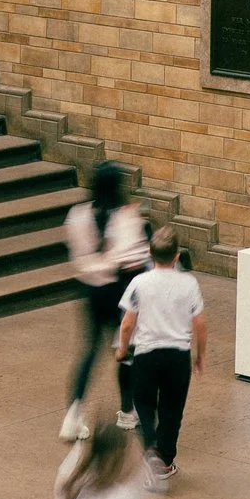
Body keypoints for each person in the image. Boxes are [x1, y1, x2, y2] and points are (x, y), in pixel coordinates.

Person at [62, 160, 148, 442]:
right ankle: (127, 412)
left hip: (90, 289)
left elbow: (76, 255)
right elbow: (135, 257)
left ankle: (74, 413)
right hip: (121, 290)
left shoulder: (78, 214)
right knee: (125, 349)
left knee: (90, 350)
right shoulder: (126, 216)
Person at [116, 227, 203, 488]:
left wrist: (122, 349)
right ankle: (165, 460)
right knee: (172, 409)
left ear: (150, 254)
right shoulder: (189, 283)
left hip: (146, 354)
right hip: (178, 356)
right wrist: (199, 355)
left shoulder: (139, 283)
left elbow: (127, 323)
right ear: (177, 256)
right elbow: (200, 323)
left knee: (144, 404)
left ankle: (151, 452)